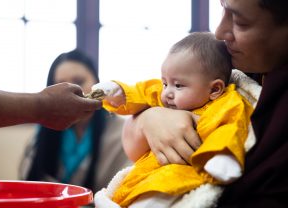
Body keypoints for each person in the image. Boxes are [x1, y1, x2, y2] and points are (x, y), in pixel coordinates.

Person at [113, 0, 288, 207]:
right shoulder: (237, 68)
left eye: (240, 21)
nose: (219, 32)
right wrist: (149, 119)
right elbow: (132, 147)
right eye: (222, 9)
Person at [93, 32, 260, 207]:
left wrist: (219, 158)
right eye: (165, 83)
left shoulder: (225, 104)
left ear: (214, 89)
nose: (167, 93)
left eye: (178, 85)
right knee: (127, 193)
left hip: (179, 176)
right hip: (145, 175)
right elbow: (144, 91)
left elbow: (229, 128)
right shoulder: (168, 98)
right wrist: (116, 91)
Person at [19, 49, 131, 193]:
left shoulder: (121, 133)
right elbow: (29, 182)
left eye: (79, 82)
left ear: (97, 83)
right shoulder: (42, 132)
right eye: (60, 85)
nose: (71, 94)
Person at [0, 77, 101, 130]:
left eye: (79, 81)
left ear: (96, 80)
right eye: (59, 84)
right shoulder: (41, 135)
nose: (72, 96)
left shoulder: (117, 133)